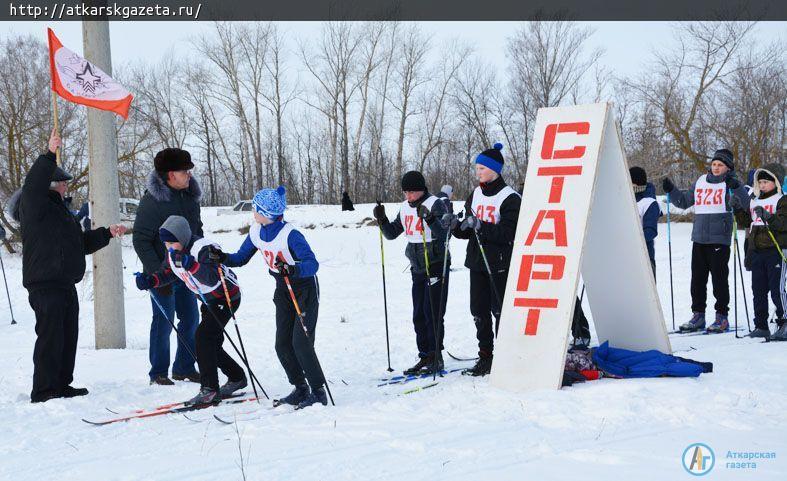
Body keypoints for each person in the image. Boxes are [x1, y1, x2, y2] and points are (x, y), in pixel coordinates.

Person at [11, 129, 126, 403]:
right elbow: (33, 183)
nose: (66, 187)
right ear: (52, 184)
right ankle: (44, 390)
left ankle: (61, 384)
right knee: (50, 337)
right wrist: (49, 153)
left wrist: (107, 233)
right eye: (63, 183)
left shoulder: (63, 214)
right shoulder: (35, 205)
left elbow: (80, 245)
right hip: (45, 284)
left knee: (67, 337)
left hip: (65, 283)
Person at [211, 186, 327, 409]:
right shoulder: (256, 231)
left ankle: (318, 391)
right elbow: (241, 258)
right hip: (282, 289)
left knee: (301, 343)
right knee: (282, 344)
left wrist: (293, 269)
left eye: (255, 208)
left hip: (303, 289)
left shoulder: (290, 234)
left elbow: (312, 264)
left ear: (266, 213)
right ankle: (300, 387)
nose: (253, 212)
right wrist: (222, 258)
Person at [134, 216, 247, 404]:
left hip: (225, 296)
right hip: (208, 299)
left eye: (172, 242)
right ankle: (236, 377)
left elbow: (211, 278)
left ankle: (209, 389)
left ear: (183, 237)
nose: (169, 247)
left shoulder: (203, 249)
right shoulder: (173, 252)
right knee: (209, 342)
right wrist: (151, 281)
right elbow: (168, 272)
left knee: (202, 337)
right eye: (166, 243)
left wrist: (191, 265)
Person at [133, 148, 202, 385]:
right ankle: (158, 372)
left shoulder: (190, 199)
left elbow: (196, 232)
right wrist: (156, 274)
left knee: (191, 319)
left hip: (186, 271)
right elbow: (140, 240)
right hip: (161, 274)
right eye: (185, 171)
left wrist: (201, 259)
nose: (189, 175)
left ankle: (184, 367)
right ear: (171, 174)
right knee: (164, 320)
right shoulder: (153, 202)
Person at [663, 148, 750, 333]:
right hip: (700, 238)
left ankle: (721, 317)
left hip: (719, 239)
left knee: (719, 281)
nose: (716, 168)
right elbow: (685, 202)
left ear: (728, 167)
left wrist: (736, 187)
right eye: (714, 164)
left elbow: (746, 204)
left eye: (720, 165)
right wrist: (672, 190)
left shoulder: (731, 183)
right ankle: (698, 315)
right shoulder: (701, 181)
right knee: (697, 280)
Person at [453, 143, 521, 376]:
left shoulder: (510, 197)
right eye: (477, 168)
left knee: (500, 310)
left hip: (498, 263)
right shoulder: (476, 193)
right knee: (478, 311)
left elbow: (509, 233)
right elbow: (467, 228)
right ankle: (485, 355)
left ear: (495, 169)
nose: (478, 172)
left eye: (482, 168)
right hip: (476, 262)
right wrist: (455, 226)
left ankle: (505, 355)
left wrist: (482, 226)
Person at [373, 171, 450, 376]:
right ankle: (424, 354)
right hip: (417, 267)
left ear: (422, 189)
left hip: (435, 263)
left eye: (413, 192)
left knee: (432, 313)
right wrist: (382, 219)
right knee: (418, 315)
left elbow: (445, 233)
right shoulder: (405, 207)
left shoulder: (435, 203)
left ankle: (436, 356)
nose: (409, 196)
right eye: (406, 192)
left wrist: (430, 218)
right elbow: (391, 234)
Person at [744, 164, 787, 341]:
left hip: (776, 249)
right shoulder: (755, 200)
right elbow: (749, 222)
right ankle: (761, 325)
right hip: (757, 250)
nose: (762, 185)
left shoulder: (782, 200)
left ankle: (784, 322)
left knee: (777, 289)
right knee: (758, 289)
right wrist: (738, 209)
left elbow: (783, 224)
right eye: (760, 182)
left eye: (766, 182)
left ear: (775, 182)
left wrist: (768, 216)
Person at [630, 166, 661, 278]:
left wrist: (634, 241)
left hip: (644, 255)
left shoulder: (649, 202)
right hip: (624, 254)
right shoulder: (626, 197)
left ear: (636, 183)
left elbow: (650, 231)